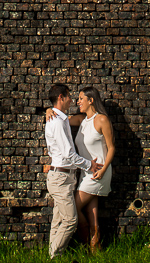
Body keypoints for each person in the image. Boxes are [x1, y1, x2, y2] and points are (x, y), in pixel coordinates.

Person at [43, 85, 115, 252]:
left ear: (91, 100)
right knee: (92, 211)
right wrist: (48, 110)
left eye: (81, 99)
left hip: (98, 171)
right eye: (76, 98)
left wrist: (103, 170)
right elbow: (60, 119)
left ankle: (84, 242)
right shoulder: (82, 120)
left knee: (73, 208)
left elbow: (111, 148)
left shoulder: (102, 119)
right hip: (86, 171)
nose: (77, 101)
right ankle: (94, 247)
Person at [43, 83, 96, 258]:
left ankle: (52, 254)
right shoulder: (57, 122)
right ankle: (54, 256)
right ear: (61, 97)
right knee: (71, 221)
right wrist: (90, 165)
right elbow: (68, 154)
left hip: (64, 177)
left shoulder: (60, 119)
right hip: (60, 178)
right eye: (69, 96)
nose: (72, 100)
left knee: (58, 220)